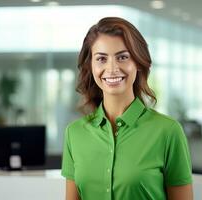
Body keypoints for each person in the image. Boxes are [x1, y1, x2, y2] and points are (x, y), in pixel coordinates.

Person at [62, 17, 193, 200]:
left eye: (122, 57)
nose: (112, 68)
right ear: (90, 66)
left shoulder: (168, 131)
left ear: (138, 63)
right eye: (101, 59)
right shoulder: (74, 133)